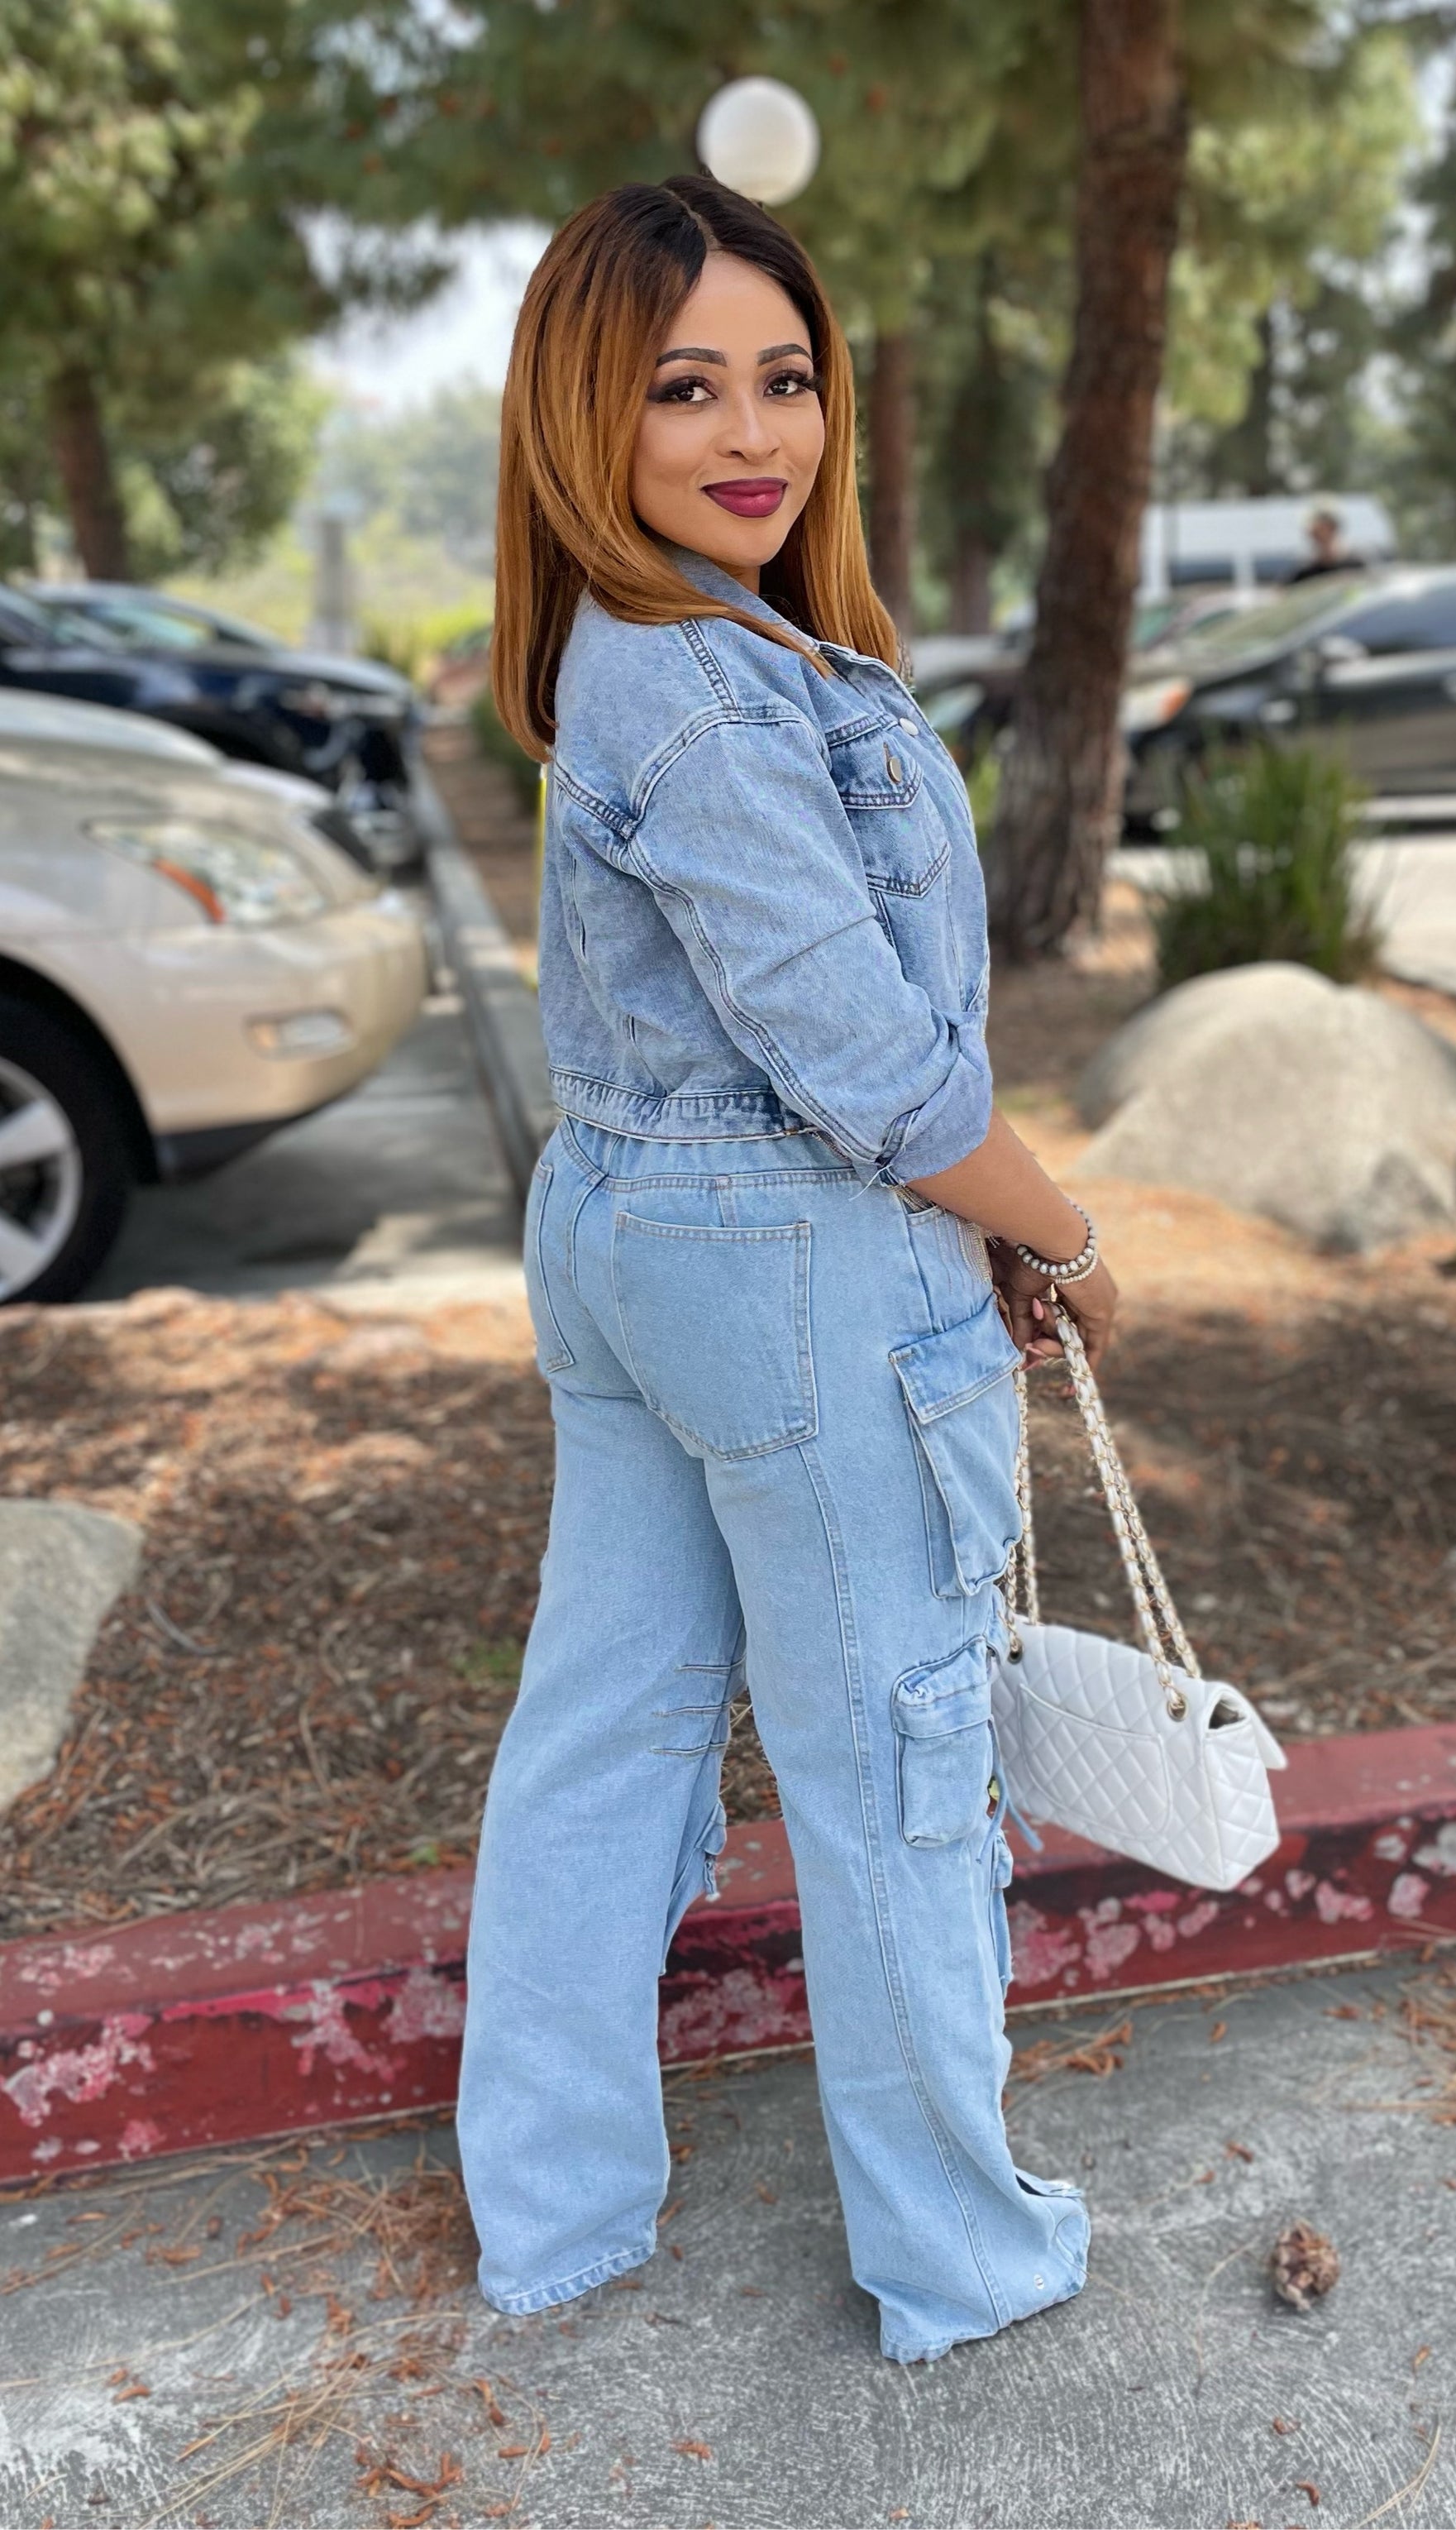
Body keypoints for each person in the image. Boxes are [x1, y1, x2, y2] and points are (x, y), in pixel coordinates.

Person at [457, 174, 1119, 2368]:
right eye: (683, 389)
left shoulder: (646, 652)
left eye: (785, 377)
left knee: (606, 1724)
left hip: (630, 1229)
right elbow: (865, 1062)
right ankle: (959, 2252)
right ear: (588, 413)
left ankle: (552, 2213)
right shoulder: (705, 690)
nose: (753, 432)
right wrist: (1052, 1223)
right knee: (896, 1755)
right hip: (789, 1258)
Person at [1287, 502, 1358, 582]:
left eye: (1327, 528)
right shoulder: (1304, 574)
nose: (1323, 535)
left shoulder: (1356, 566)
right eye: (1316, 532)